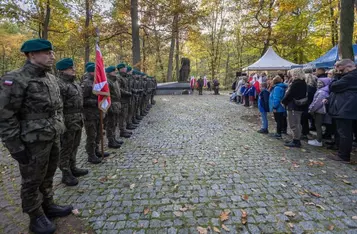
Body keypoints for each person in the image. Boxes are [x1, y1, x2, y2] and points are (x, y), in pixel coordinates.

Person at [0, 39, 72, 234]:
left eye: (52, 52)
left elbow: (57, 108)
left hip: (52, 135)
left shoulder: (50, 78)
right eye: (46, 52)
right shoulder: (16, 78)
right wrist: (15, 147)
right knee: (32, 180)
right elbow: (5, 116)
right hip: (32, 141)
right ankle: (35, 216)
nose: (52, 56)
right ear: (31, 55)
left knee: (48, 175)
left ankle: (48, 205)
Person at [56, 58, 88, 186]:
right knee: (66, 148)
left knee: (75, 145)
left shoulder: (74, 83)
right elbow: (59, 107)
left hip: (77, 119)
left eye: (73, 67)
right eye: (70, 68)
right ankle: (65, 172)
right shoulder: (60, 84)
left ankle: (73, 167)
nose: (73, 69)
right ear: (63, 70)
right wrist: (61, 123)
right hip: (67, 121)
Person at [326, 59, 357, 163]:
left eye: (341, 70)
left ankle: (343, 156)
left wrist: (335, 77)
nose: (339, 72)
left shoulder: (350, 77)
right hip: (349, 107)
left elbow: (333, 86)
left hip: (346, 108)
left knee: (344, 133)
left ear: (348, 67)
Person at [82, 64, 110, 163]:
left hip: (98, 113)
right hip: (90, 115)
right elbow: (83, 101)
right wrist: (97, 102)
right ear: (91, 72)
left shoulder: (97, 82)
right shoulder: (86, 84)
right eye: (96, 70)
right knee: (91, 135)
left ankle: (96, 150)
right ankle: (91, 155)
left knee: (98, 133)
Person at [282, 68, 308, 148]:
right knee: (296, 123)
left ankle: (296, 140)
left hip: (294, 106)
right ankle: (295, 138)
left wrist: (284, 102)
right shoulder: (302, 83)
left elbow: (290, 94)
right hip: (298, 106)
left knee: (294, 123)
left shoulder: (297, 83)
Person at [308, 78, 332, 147]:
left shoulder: (322, 92)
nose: (318, 84)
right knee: (318, 125)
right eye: (318, 82)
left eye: (320, 83)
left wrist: (311, 109)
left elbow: (317, 103)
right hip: (319, 110)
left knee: (318, 126)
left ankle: (319, 140)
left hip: (319, 111)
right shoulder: (322, 90)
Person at [105, 66, 123, 149]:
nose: (115, 72)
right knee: (110, 124)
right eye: (113, 71)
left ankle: (114, 138)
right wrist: (109, 107)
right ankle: (111, 140)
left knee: (115, 123)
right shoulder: (108, 82)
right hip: (111, 105)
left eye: (115, 71)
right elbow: (107, 96)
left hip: (116, 104)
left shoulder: (114, 81)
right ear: (108, 73)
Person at [117, 63, 133, 138]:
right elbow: (119, 89)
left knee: (124, 115)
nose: (126, 69)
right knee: (122, 116)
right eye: (125, 68)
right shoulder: (118, 77)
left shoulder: (124, 77)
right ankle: (122, 131)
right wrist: (127, 93)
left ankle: (124, 129)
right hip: (122, 99)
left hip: (126, 99)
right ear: (121, 69)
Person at [301, 73, 317, 139]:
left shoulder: (307, 88)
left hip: (306, 105)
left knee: (303, 120)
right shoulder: (314, 87)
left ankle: (304, 133)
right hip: (311, 105)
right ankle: (306, 132)